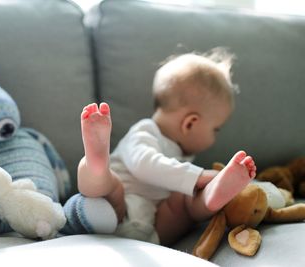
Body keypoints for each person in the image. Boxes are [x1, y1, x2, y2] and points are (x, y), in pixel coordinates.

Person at [77, 49, 257, 246]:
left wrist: (198, 186)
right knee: (111, 184)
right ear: (190, 123)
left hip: (153, 230)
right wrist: (197, 176)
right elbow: (144, 164)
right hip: (115, 210)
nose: (215, 137)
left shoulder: (181, 158)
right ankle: (96, 165)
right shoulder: (144, 131)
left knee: (184, 202)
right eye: (215, 129)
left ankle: (210, 199)